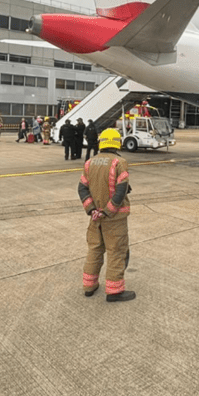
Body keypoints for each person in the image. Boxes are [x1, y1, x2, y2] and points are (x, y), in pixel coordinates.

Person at [78, 128, 135, 302]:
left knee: (95, 250)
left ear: (101, 142)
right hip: (114, 219)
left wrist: (93, 210)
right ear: (117, 143)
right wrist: (108, 212)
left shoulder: (89, 162)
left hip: (95, 219)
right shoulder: (119, 162)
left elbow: (82, 188)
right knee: (117, 252)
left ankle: (89, 286)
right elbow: (120, 190)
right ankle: (114, 291)